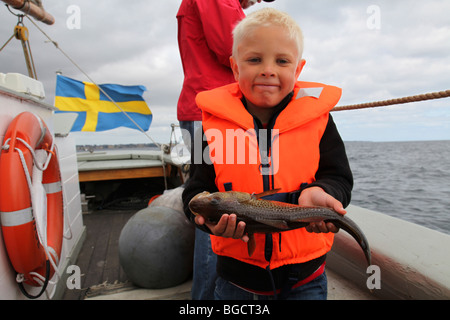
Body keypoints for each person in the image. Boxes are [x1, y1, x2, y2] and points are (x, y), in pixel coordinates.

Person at [182, 8, 353, 300]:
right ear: (235, 68)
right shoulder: (211, 130)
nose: (268, 70)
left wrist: (323, 192)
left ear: (298, 70)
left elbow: (339, 177)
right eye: (254, 59)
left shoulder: (319, 121)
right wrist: (208, 223)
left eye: (282, 61)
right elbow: (194, 194)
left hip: (307, 276)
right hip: (237, 281)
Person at [176, 0, 263, 300]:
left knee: (214, 204)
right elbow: (238, 48)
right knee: (213, 210)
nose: (257, 2)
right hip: (213, 113)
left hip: (208, 110)